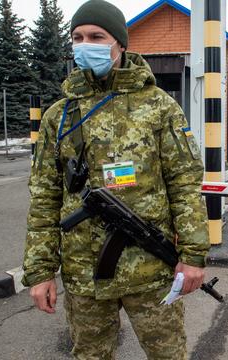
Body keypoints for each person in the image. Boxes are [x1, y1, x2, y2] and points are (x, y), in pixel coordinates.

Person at [22, 1, 209, 359]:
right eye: (77, 37)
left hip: (151, 270)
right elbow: (44, 198)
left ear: (120, 44)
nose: (84, 44)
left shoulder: (158, 107)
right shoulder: (59, 116)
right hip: (83, 274)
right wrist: (41, 272)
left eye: (96, 36)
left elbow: (185, 185)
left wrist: (194, 255)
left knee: (168, 356)